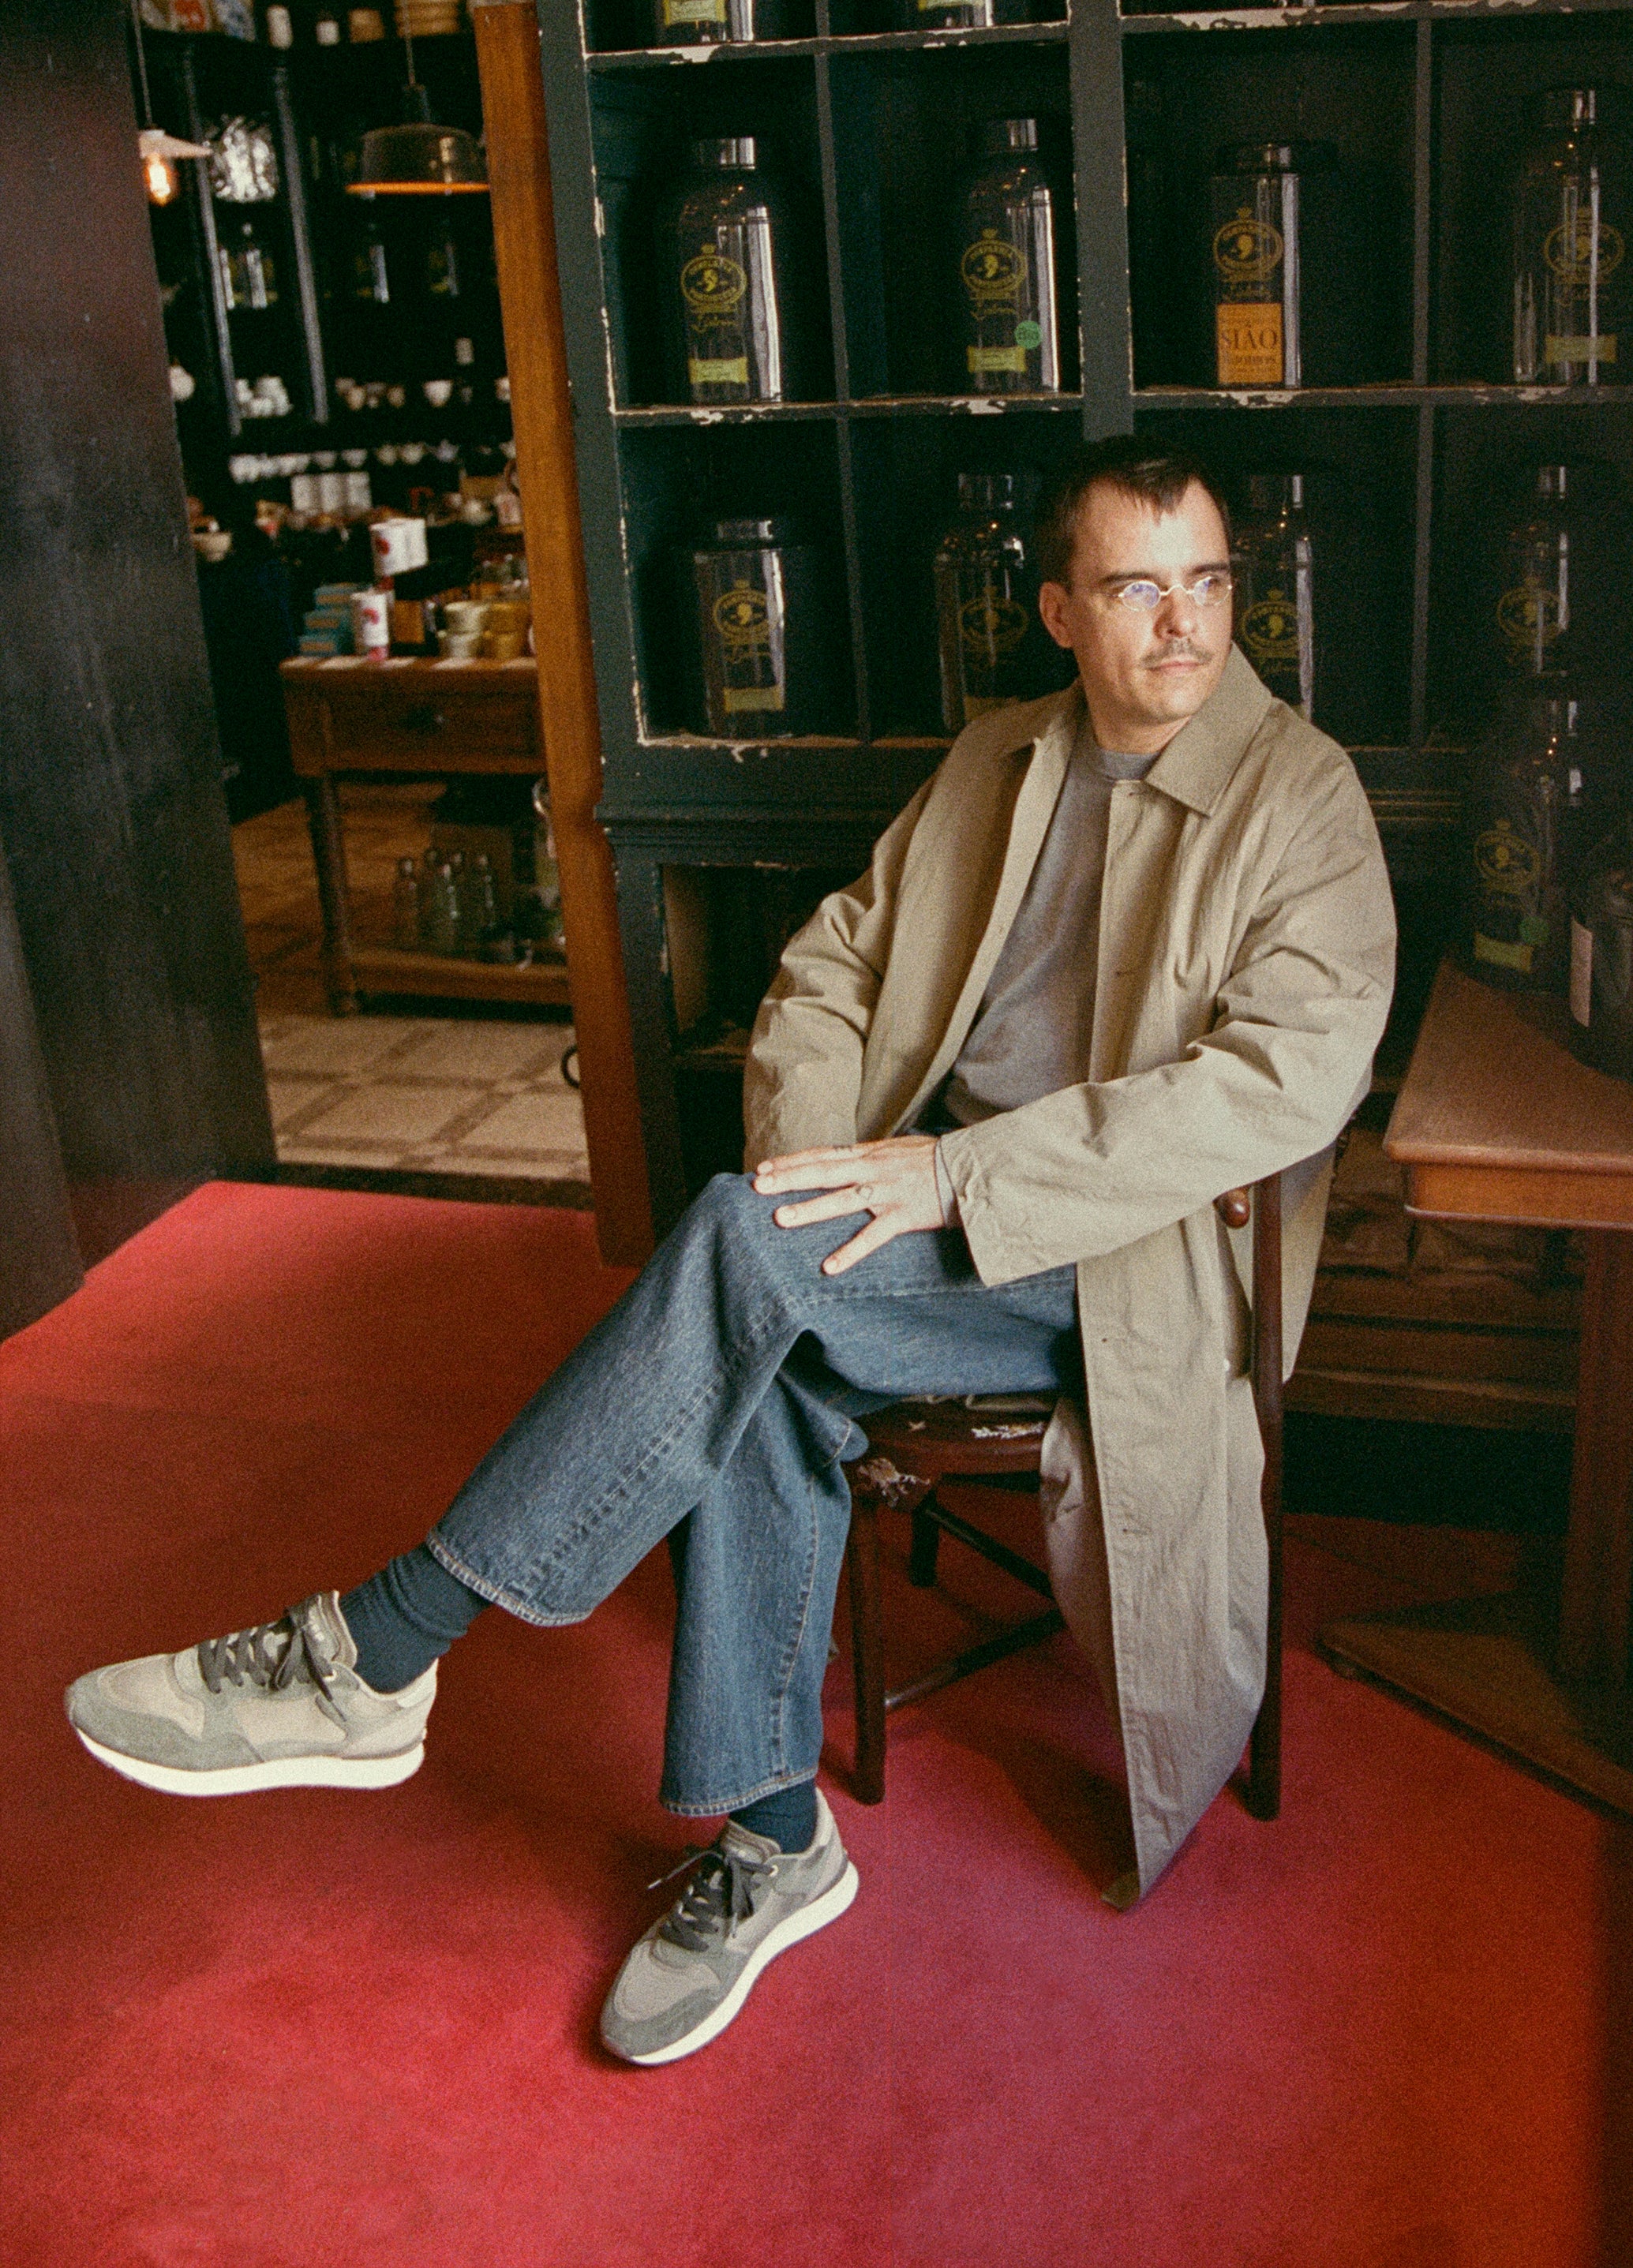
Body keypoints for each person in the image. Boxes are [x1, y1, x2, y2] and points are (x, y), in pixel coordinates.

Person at [66, 437, 1395, 2064]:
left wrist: (948, 1176)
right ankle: (774, 1839)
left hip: (1129, 1262)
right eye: (1137, 588)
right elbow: (834, 964)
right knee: (755, 1321)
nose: (1185, 625)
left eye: (1208, 583)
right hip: (924, 1215)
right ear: (1059, 610)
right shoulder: (1002, 756)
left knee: (741, 1266)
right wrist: (822, 1174)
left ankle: (378, 1651)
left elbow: (1282, 1081)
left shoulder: (1300, 794)